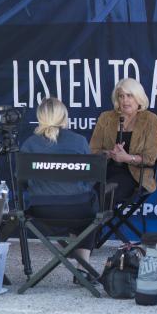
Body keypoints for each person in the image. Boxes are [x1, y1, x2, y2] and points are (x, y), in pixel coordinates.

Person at [19, 97, 99, 281]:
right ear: (64, 116)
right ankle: (83, 267)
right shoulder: (79, 141)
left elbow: (21, 182)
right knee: (91, 207)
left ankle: (71, 250)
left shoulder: (29, 144)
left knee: (83, 201)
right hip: (79, 209)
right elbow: (90, 178)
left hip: (41, 211)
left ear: (40, 117)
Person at [89, 78, 157, 203]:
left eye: (129, 96)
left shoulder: (151, 120)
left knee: (103, 193)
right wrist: (110, 153)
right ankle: (84, 222)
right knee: (84, 192)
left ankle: (94, 222)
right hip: (105, 170)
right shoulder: (106, 117)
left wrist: (127, 157)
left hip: (135, 175)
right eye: (121, 96)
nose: (125, 100)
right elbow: (93, 150)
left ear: (139, 98)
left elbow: (150, 159)